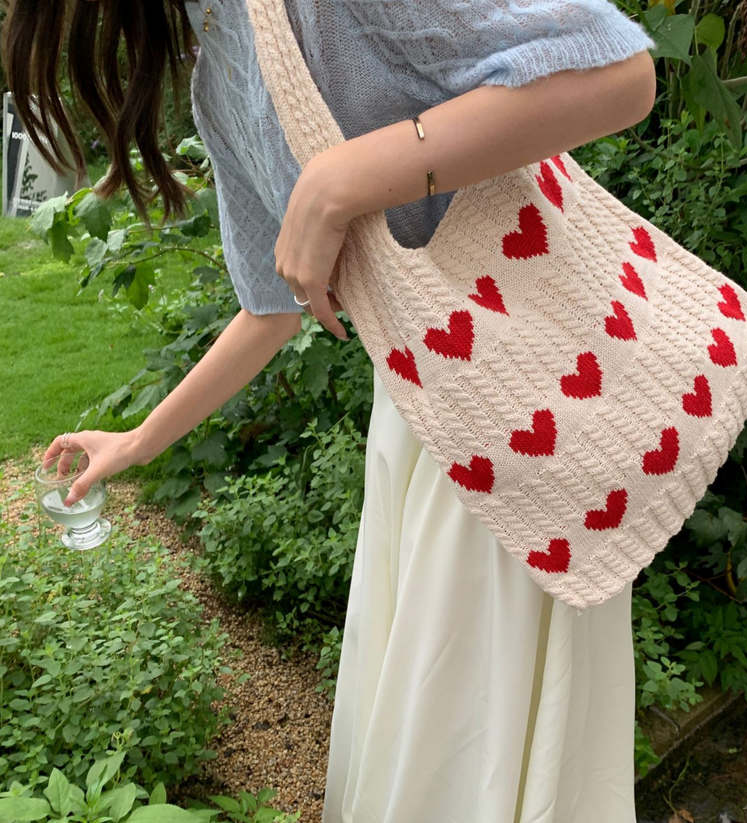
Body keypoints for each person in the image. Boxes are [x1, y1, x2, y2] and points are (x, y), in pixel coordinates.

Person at [2, 0, 657, 819]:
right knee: (430, 740)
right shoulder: (219, 72)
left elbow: (618, 74)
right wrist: (138, 439)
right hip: (419, 411)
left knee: (467, 745)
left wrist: (340, 181)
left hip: (524, 397)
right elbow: (269, 311)